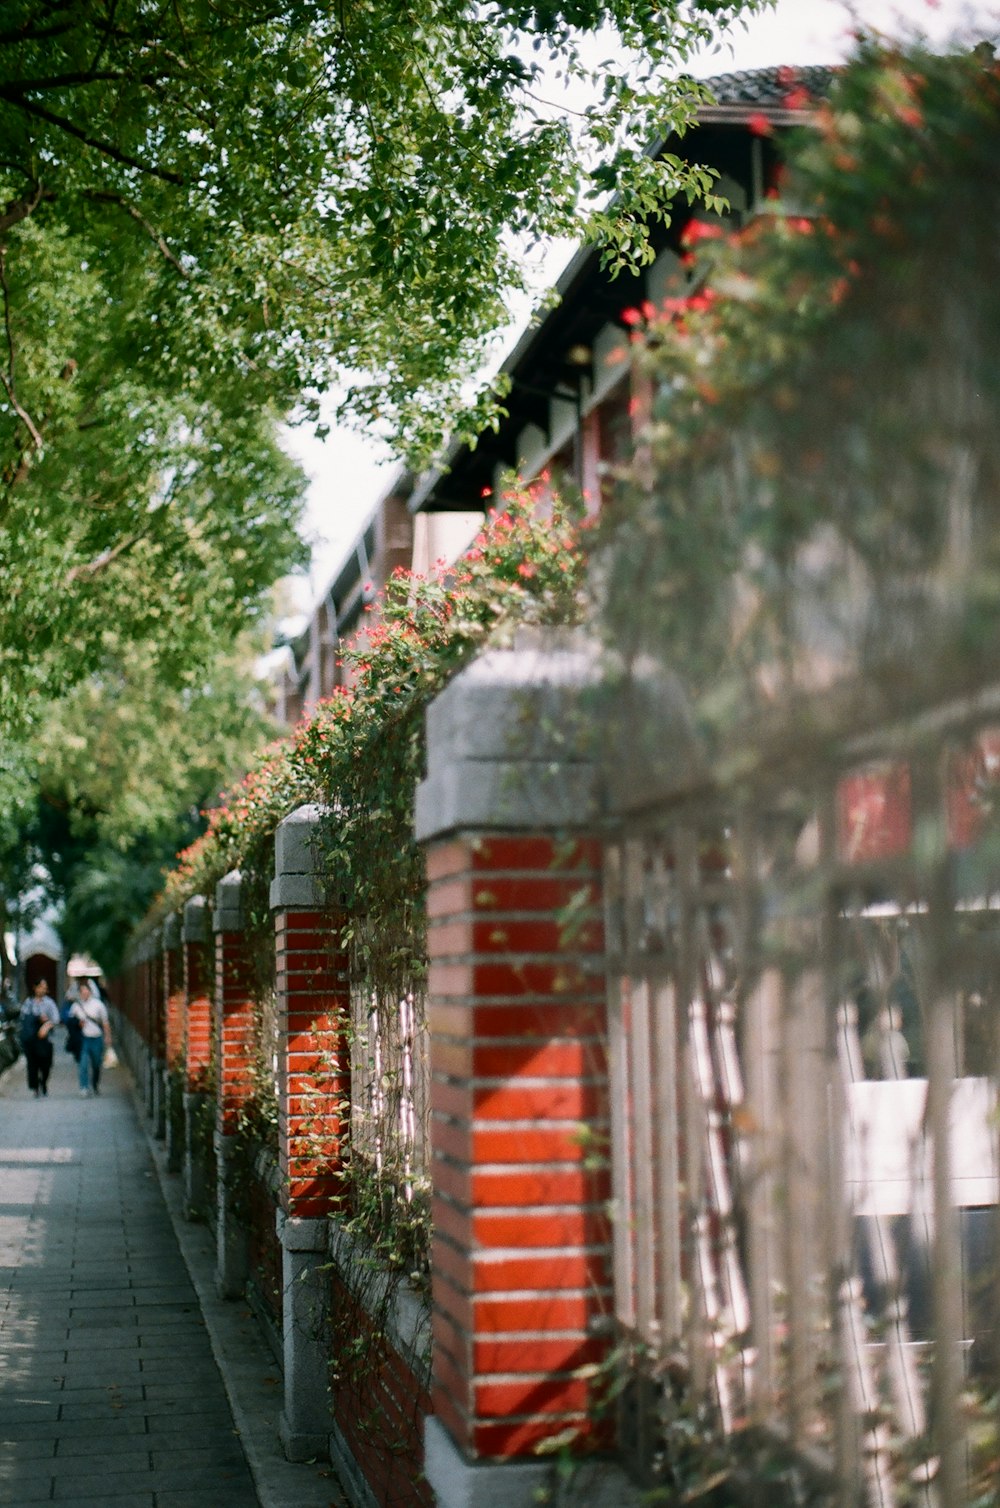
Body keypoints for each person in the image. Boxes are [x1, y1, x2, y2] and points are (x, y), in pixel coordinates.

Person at [19, 978, 60, 1097]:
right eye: (41, 986)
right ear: (35, 988)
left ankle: (43, 1082)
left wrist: (47, 1025)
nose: (43, 989)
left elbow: (56, 1019)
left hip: (45, 1039)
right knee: (32, 1064)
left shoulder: (49, 1003)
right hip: (31, 1039)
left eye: (44, 987)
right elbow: (24, 1018)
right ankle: (35, 1087)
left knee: (46, 1064)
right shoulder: (28, 1002)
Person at [70, 981, 111, 1096]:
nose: (84, 993)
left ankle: (95, 1083)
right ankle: (84, 1087)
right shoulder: (76, 1006)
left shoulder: (98, 1005)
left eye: (86, 990)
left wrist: (108, 1036)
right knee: (83, 1063)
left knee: (96, 1063)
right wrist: (78, 1024)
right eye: (82, 991)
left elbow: (105, 1022)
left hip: (97, 1038)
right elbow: (70, 1022)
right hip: (84, 1039)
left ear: (90, 991)